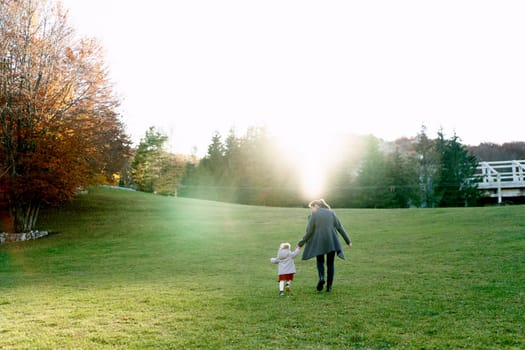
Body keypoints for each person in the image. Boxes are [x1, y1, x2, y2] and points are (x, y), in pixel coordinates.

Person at [298, 199, 352, 292]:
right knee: (330, 264)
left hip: (319, 242)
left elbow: (309, 231)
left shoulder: (315, 215)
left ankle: (322, 278)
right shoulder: (332, 213)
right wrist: (348, 241)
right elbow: (339, 227)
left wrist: (301, 243)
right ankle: (329, 287)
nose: (312, 210)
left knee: (320, 262)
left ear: (316, 206)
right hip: (332, 241)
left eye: (312, 208)